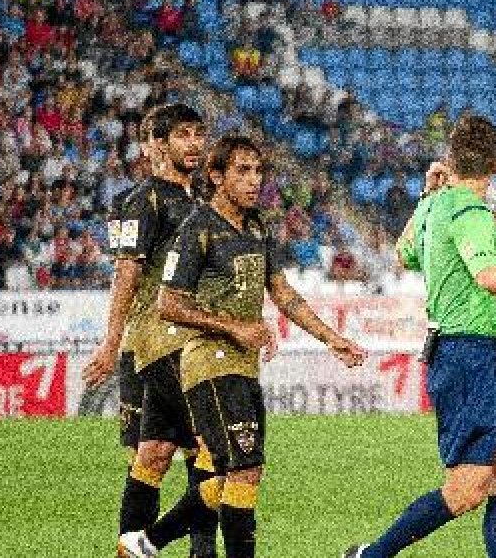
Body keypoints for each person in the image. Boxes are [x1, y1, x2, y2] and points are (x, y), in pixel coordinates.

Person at [344, 115, 496, 558]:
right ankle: (371, 555)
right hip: (465, 353)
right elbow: (490, 276)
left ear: (452, 158)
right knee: (467, 489)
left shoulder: (436, 204)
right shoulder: (472, 214)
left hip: (475, 354)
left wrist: (423, 195)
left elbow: (403, 254)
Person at [118, 135, 367, 558]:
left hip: (243, 366)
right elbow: (169, 303)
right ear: (216, 177)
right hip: (208, 363)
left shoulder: (256, 227)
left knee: (241, 476)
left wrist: (331, 338)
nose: (255, 181)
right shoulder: (198, 229)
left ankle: (146, 542)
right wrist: (233, 327)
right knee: (244, 470)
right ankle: (150, 543)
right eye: (243, 171)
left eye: (258, 171)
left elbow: (283, 293)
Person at [82, 104, 218, 556]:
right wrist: (110, 342)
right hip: (149, 347)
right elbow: (126, 272)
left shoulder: (199, 205)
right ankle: (157, 546)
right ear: (158, 145)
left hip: (188, 346)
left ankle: (181, 550)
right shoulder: (142, 200)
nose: (195, 143)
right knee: (164, 455)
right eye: (183, 134)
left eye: (199, 133)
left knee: (173, 451)